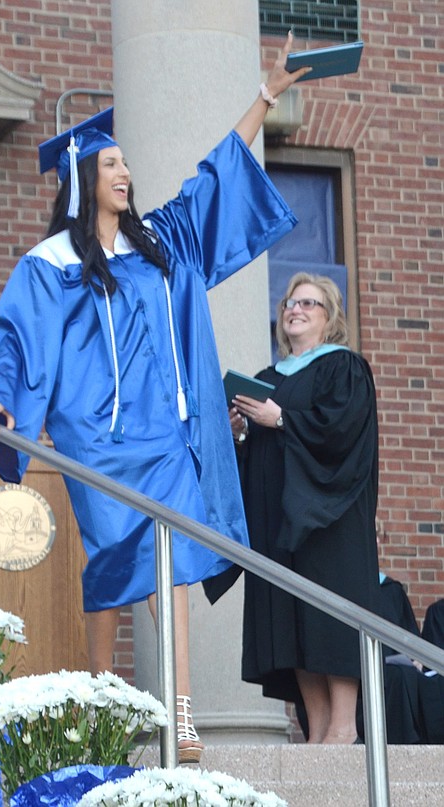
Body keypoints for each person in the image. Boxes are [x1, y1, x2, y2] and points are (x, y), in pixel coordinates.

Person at [0, 34, 310, 763]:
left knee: (175, 566)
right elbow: (14, 340)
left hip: (165, 439)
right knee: (114, 565)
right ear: (82, 179)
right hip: (95, 439)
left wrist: (266, 96)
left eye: (126, 161)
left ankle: (180, 715)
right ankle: (102, 697)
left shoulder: (162, 243)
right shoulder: (52, 266)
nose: (125, 171)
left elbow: (216, 180)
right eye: (110, 163)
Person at [228, 272, 381, 745]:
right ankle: (317, 733)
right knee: (295, 623)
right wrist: (241, 432)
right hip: (279, 525)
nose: (295, 309)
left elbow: (341, 435)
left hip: (328, 523)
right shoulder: (268, 380)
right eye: (290, 303)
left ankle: (342, 730)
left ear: (330, 317)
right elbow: (256, 460)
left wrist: (283, 419)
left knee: (329, 619)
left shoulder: (344, 368)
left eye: (309, 304)